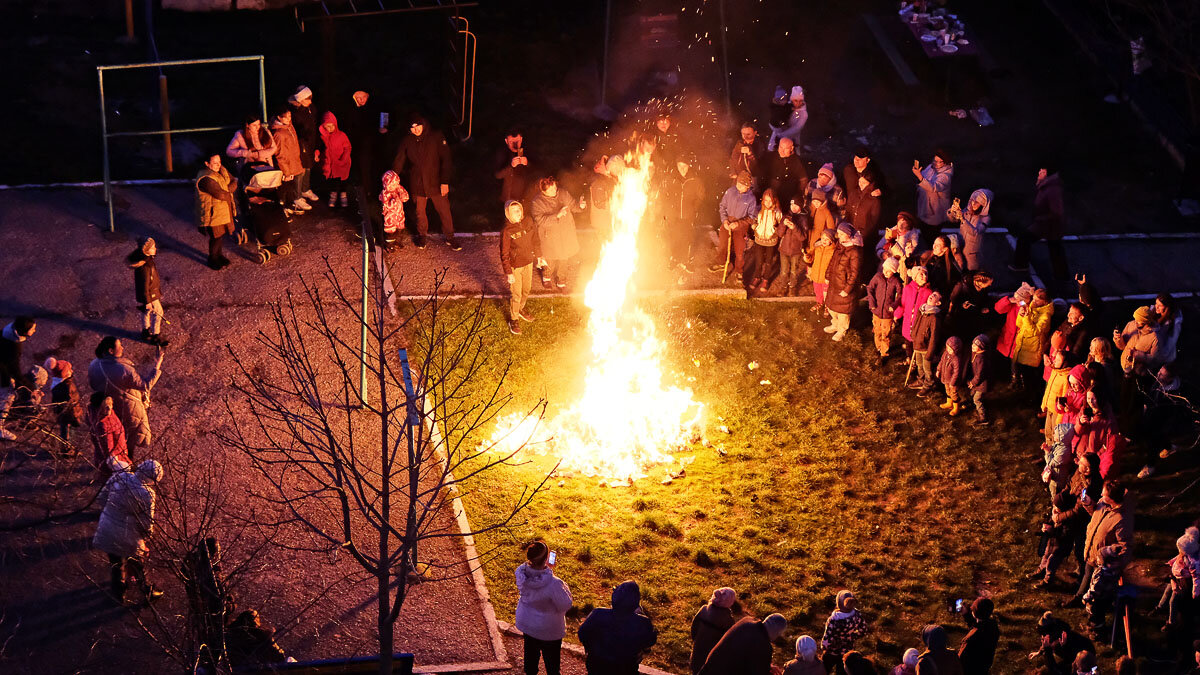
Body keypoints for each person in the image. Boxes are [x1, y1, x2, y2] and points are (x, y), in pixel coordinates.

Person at [93, 459, 164, 604]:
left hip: (107, 527)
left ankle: (119, 591)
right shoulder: (147, 494)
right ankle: (146, 590)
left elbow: (101, 497)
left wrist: (109, 513)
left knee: (116, 562)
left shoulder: (120, 476)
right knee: (136, 562)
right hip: (128, 534)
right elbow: (146, 521)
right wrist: (146, 537)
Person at [393, 113, 459, 250]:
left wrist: (445, 181)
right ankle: (422, 235)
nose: (416, 129)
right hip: (418, 182)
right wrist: (392, 176)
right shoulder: (408, 140)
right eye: (412, 127)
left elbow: (446, 160)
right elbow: (400, 158)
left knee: (444, 210)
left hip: (436, 180)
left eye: (418, 126)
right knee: (420, 212)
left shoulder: (436, 137)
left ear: (424, 125)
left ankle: (450, 237)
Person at [88, 336, 163, 451]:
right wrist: (157, 364)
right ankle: (127, 464)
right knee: (133, 437)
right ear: (111, 351)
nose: (123, 348)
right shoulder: (124, 370)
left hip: (112, 407)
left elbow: (93, 385)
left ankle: (120, 463)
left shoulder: (94, 365)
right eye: (119, 346)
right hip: (129, 408)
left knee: (118, 436)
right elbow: (145, 386)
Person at [1067, 480, 1134, 608]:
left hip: (1102, 560)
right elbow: (1096, 514)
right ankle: (1080, 597)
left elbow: (1125, 546)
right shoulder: (1103, 503)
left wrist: (1110, 559)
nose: (1101, 496)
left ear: (1112, 499)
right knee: (1087, 574)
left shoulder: (1121, 520)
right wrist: (1089, 504)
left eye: (1104, 495)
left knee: (1096, 585)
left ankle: (1093, 607)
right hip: (1092, 550)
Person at [515, 541, 572, 675]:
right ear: (546, 559)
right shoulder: (554, 584)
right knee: (552, 667)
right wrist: (549, 571)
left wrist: (546, 569)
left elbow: (537, 580)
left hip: (528, 624)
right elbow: (566, 604)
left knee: (530, 663)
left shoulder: (521, 574)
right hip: (549, 631)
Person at [578, 580, 658, 675]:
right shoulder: (643, 623)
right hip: (626, 669)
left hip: (597, 666)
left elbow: (582, 634)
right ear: (636, 601)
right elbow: (648, 644)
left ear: (614, 597)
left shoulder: (598, 614)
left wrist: (592, 648)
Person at [1011, 163, 1068, 279]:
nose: (1039, 173)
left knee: (1027, 239)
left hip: (1050, 225)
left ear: (1046, 173)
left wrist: (1040, 218)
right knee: (1055, 250)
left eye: (1041, 172)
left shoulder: (1052, 189)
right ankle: (1062, 276)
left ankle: (1021, 265)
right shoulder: (1046, 186)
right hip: (1045, 224)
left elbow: (1057, 212)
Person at [530, 177, 585, 292]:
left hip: (566, 233)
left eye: (555, 188)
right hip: (550, 236)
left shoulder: (563, 194)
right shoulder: (537, 202)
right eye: (550, 190)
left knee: (564, 258)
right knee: (550, 259)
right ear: (543, 191)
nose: (554, 191)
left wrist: (580, 206)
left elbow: (573, 206)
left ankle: (561, 281)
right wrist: (557, 216)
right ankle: (546, 277)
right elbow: (540, 221)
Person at [501, 201, 543, 335]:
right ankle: (514, 319)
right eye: (514, 211)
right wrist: (509, 272)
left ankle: (520, 309)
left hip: (528, 263)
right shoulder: (507, 231)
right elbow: (504, 253)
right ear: (508, 215)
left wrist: (539, 256)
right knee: (516, 294)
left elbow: (535, 240)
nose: (518, 213)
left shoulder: (528, 221)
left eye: (518, 209)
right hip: (515, 267)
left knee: (526, 290)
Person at [697, 613, 787, 675]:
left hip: (709, 669)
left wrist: (768, 666)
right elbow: (757, 672)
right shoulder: (763, 646)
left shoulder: (747, 622)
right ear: (776, 632)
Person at [341, 89, 390, 198]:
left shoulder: (375, 108)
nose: (361, 100)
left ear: (367, 96)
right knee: (363, 169)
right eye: (358, 98)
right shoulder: (351, 110)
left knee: (377, 167)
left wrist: (385, 128)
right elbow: (349, 128)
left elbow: (385, 119)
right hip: (361, 146)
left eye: (363, 97)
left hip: (376, 144)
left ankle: (381, 190)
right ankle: (367, 192)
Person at [194, 154, 239, 270]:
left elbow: (234, 181)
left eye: (219, 161)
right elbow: (220, 194)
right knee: (215, 237)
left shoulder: (222, 170)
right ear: (207, 164)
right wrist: (229, 190)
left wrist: (228, 189)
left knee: (220, 236)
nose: (219, 165)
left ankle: (219, 256)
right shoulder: (206, 178)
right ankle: (212, 258)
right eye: (215, 163)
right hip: (212, 214)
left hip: (221, 212)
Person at [711, 171, 759, 279]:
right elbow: (722, 207)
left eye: (741, 185)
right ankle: (721, 262)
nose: (738, 186)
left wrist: (738, 223)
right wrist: (724, 221)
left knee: (739, 250)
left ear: (747, 186)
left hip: (741, 227)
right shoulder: (730, 191)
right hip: (728, 222)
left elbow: (751, 217)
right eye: (737, 183)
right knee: (723, 245)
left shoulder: (751, 198)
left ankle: (739, 270)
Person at [1157, 527, 1200, 638]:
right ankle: (1160, 607)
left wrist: (1195, 591)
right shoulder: (1183, 554)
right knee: (1167, 591)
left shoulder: (1192, 561)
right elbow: (1177, 558)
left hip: (1181, 582)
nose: (1179, 552)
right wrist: (1171, 562)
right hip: (1175, 577)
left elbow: (1196, 577)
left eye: (1181, 550)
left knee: (1173, 601)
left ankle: (1171, 622)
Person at [0, 316, 37, 442]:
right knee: (7, 397)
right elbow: (15, 370)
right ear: (24, 331)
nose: (34, 331)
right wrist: (31, 388)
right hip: (2, 375)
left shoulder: (5, 333)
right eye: (33, 329)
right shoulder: (14, 346)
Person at [825, 223, 863, 342]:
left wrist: (847, 289)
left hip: (844, 285)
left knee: (843, 312)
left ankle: (842, 329)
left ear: (849, 235)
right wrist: (827, 275)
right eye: (839, 233)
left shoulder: (854, 251)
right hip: (835, 283)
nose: (839, 236)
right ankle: (835, 324)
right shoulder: (840, 246)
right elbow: (832, 261)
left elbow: (854, 273)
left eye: (842, 234)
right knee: (832, 307)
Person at [127, 237, 168, 346]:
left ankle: (145, 331)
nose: (155, 248)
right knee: (159, 312)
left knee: (146, 311)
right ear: (147, 250)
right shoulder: (146, 266)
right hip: (150, 295)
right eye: (153, 247)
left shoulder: (145, 261)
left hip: (147, 295)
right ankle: (156, 335)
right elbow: (144, 285)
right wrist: (148, 301)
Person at [1011, 289, 1054, 391]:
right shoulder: (1032, 307)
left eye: (1037, 300)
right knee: (1022, 373)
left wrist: (1026, 317)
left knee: (1030, 378)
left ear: (1045, 302)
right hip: (1024, 346)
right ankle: (1021, 389)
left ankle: (1031, 397)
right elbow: (1019, 324)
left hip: (1032, 352)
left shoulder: (1045, 316)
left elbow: (1033, 332)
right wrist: (1021, 315)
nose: (1034, 302)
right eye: (1033, 299)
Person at [668, 154, 705, 270]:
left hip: (688, 215)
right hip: (674, 214)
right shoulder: (672, 178)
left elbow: (701, 196)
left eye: (684, 166)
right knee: (674, 237)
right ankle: (674, 258)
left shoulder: (695, 179)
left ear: (689, 166)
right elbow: (666, 194)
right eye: (680, 166)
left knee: (688, 238)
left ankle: (686, 261)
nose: (682, 169)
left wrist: (693, 208)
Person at [689, 587, 738, 674]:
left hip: (698, 651)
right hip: (713, 657)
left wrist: (696, 641)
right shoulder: (728, 620)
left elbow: (694, 628)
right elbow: (728, 641)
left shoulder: (704, 610)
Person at [270, 108, 309, 214]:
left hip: (294, 161)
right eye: (285, 117)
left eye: (290, 116)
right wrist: (286, 171)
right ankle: (283, 208)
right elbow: (280, 154)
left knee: (292, 184)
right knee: (285, 186)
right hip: (287, 165)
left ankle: (291, 203)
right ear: (279, 117)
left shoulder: (289, 127)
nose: (288, 119)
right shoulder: (279, 133)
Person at [820, 590, 868, 674]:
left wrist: (824, 647)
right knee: (842, 671)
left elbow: (828, 637)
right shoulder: (856, 615)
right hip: (847, 651)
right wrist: (853, 636)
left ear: (839, 603)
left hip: (832, 651)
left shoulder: (834, 619)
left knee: (825, 669)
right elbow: (863, 630)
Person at [745, 189, 783, 295]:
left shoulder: (777, 212)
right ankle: (757, 277)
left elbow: (781, 226)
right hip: (759, 240)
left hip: (771, 241)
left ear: (774, 201)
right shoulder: (759, 210)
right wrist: (754, 227)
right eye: (766, 200)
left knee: (768, 262)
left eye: (770, 201)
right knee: (759, 260)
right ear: (763, 201)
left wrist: (776, 230)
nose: (768, 203)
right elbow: (753, 220)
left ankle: (765, 279)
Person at [867, 257, 904, 364]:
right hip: (877, 311)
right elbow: (870, 288)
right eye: (885, 269)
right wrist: (872, 303)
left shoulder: (896, 281)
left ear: (894, 271)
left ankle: (884, 353)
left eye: (889, 271)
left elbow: (900, 295)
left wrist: (894, 305)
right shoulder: (878, 277)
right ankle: (878, 348)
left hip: (888, 313)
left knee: (886, 333)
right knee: (877, 330)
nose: (886, 272)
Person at [1029, 612, 1094, 673]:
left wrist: (1046, 650)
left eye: (1043, 634)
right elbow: (1047, 643)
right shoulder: (1057, 630)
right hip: (1080, 657)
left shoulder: (1061, 640)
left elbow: (1054, 670)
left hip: (1084, 659)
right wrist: (1039, 652)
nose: (1042, 637)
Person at [287, 86, 320, 206]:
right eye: (307, 99)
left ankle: (306, 189)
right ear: (300, 100)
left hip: (310, 142)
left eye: (310, 98)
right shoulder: (296, 112)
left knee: (309, 166)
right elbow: (297, 130)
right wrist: (304, 134)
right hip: (301, 143)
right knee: (300, 169)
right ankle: (297, 196)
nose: (310, 101)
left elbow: (314, 125)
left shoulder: (311, 108)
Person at [842, 147, 884, 237]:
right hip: (851, 206)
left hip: (864, 213)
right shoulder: (848, 169)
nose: (856, 161)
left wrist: (881, 191)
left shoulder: (873, 174)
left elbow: (886, 188)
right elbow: (841, 183)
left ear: (867, 160)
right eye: (855, 158)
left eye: (860, 159)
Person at [225, 609, 289, 668]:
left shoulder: (228, 634)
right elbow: (279, 656)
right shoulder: (261, 634)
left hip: (233, 668)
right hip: (258, 669)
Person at [86, 393, 130, 478]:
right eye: (106, 405)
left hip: (118, 454)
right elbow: (109, 450)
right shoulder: (103, 425)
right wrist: (118, 465)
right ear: (99, 408)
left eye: (110, 404)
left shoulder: (108, 414)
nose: (109, 407)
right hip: (116, 460)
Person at [911, 292, 945, 397]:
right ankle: (921, 380)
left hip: (926, 348)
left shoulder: (934, 317)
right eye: (932, 294)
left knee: (927, 368)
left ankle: (928, 385)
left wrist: (930, 352)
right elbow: (915, 323)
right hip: (918, 344)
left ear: (938, 303)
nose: (931, 296)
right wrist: (913, 336)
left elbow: (934, 336)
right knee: (919, 365)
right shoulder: (922, 310)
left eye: (935, 296)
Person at [913, 150, 954, 230]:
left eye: (939, 162)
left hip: (935, 212)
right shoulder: (931, 167)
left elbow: (934, 187)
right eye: (935, 160)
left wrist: (919, 177)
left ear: (945, 163)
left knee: (932, 235)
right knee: (924, 230)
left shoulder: (946, 176)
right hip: (924, 207)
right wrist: (918, 174)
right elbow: (922, 178)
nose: (935, 163)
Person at [318, 111, 352, 208]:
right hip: (332, 164)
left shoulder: (342, 135)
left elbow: (348, 147)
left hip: (342, 164)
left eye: (331, 126)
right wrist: (317, 154)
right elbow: (322, 148)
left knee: (343, 182)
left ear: (335, 124)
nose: (330, 128)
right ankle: (333, 196)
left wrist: (344, 158)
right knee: (333, 182)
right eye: (327, 127)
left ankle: (343, 195)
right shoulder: (324, 137)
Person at [763, 138, 808, 209]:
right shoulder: (771, 157)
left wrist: (799, 195)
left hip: (788, 195)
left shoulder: (795, 161)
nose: (782, 151)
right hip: (772, 195)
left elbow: (803, 179)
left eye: (785, 148)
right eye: (780, 147)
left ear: (791, 148)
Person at [953, 189, 992, 271]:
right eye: (972, 200)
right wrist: (953, 211)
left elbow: (976, 232)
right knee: (959, 271)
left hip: (972, 254)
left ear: (983, 204)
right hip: (960, 249)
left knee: (972, 274)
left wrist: (963, 219)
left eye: (977, 202)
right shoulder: (967, 211)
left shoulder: (985, 218)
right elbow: (954, 219)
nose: (973, 203)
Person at [48, 359, 83, 449]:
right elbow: (71, 401)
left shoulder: (58, 383)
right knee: (67, 431)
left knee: (65, 429)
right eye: (69, 370)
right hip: (69, 414)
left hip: (63, 413)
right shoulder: (66, 386)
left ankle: (67, 446)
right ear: (65, 373)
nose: (72, 371)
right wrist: (76, 413)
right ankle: (66, 449)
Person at [958, 598, 999, 674]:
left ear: (975, 613)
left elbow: (960, 660)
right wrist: (967, 615)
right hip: (983, 668)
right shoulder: (992, 626)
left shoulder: (971, 638)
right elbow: (979, 625)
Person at [900, 267, 934, 357]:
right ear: (914, 277)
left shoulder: (928, 292)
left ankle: (916, 359)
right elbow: (903, 303)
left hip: (918, 322)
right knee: (907, 340)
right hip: (908, 320)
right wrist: (897, 315)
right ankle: (909, 357)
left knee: (917, 341)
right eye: (921, 274)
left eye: (926, 274)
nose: (924, 276)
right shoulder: (907, 289)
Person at [495, 128, 532, 206]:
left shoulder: (526, 151)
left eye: (517, 141)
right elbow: (498, 175)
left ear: (521, 139)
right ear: (506, 141)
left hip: (525, 197)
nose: (515, 145)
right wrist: (511, 166)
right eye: (512, 142)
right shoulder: (502, 153)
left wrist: (527, 163)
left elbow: (538, 170)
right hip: (507, 198)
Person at [768, 86, 808, 151]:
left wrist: (781, 135)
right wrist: (775, 127)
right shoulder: (785, 106)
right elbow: (774, 118)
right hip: (777, 138)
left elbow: (797, 128)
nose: (798, 103)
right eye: (796, 100)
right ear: (792, 100)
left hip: (791, 141)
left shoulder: (803, 114)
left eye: (800, 101)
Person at [807, 229, 835, 317]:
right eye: (823, 238)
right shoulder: (817, 248)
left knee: (826, 292)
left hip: (826, 277)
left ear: (831, 240)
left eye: (827, 239)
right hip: (816, 274)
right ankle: (819, 302)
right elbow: (811, 259)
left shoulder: (833, 251)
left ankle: (827, 306)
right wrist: (807, 258)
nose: (824, 241)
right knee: (817, 291)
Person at [936, 336, 966, 416]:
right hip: (945, 377)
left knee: (953, 393)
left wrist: (953, 382)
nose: (948, 350)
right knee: (947, 390)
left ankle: (956, 407)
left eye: (950, 349)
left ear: (956, 350)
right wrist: (938, 369)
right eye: (947, 347)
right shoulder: (946, 353)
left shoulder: (956, 359)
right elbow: (941, 361)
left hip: (953, 381)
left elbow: (957, 372)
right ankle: (949, 403)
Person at [379, 170, 409, 248]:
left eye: (396, 184)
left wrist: (401, 192)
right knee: (390, 231)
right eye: (392, 185)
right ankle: (389, 245)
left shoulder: (398, 189)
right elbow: (387, 206)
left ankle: (397, 241)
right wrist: (395, 201)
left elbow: (406, 198)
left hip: (399, 214)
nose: (394, 186)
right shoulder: (385, 193)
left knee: (400, 228)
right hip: (390, 216)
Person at [968, 335, 993, 426]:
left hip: (982, 384)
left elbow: (980, 375)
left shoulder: (982, 359)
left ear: (981, 347)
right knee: (972, 393)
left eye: (975, 345)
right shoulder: (976, 354)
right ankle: (971, 405)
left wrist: (973, 383)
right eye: (972, 344)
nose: (972, 346)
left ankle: (983, 417)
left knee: (977, 399)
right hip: (977, 382)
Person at [1154, 292, 1183, 365]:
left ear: (1167, 308)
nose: (1156, 307)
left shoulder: (1174, 325)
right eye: (1156, 304)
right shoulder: (1157, 312)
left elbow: (1167, 349)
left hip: (1164, 360)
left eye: (1160, 305)